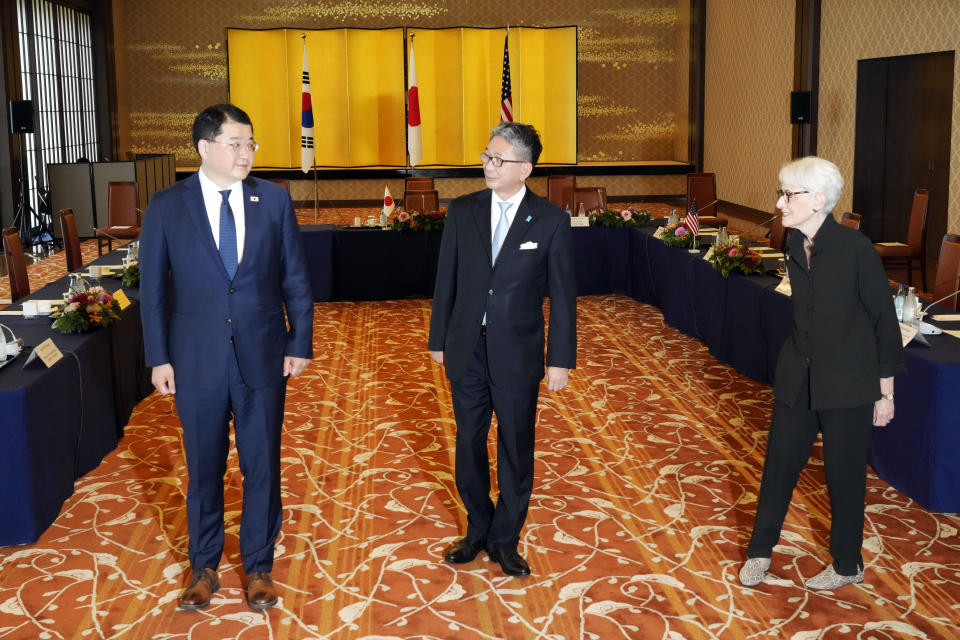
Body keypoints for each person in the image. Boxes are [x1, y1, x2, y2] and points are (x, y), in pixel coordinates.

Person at [139, 104, 314, 610]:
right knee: (204, 468)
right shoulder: (167, 206)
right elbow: (152, 292)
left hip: (263, 357)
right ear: (204, 148)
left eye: (251, 143)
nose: (246, 153)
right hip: (194, 361)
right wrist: (159, 358)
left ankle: (259, 567)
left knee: (262, 466)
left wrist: (299, 341)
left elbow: (295, 279)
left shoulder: (273, 201)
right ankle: (205, 567)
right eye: (236, 143)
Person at [739, 156, 906, 590]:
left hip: (849, 382)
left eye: (788, 195)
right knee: (778, 467)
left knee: (843, 475)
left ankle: (848, 565)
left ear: (816, 201)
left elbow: (884, 323)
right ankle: (759, 553)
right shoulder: (795, 244)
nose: (779, 203)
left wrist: (884, 394)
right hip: (799, 376)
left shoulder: (856, 250)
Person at [428, 122, 577, 577]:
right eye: (486, 157)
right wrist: (438, 340)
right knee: (468, 441)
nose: (488, 167)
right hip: (466, 348)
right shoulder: (464, 210)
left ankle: (505, 537)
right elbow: (446, 280)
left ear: (525, 168)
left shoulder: (550, 220)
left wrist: (560, 359)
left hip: (518, 354)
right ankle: (477, 528)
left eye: (498, 160)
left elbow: (563, 296)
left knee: (516, 446)